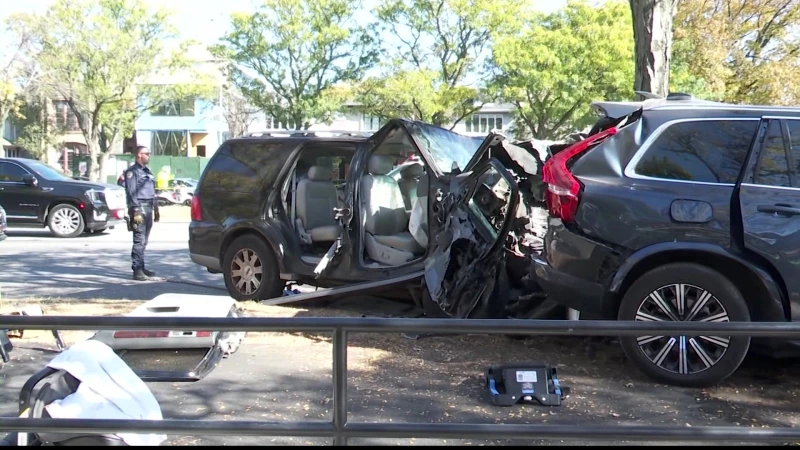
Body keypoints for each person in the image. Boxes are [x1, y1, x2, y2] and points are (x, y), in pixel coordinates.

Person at [124, 145, 160, 281]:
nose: (149, 156)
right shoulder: (132, 172)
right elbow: (132, 192)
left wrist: (156, 209)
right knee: (139, 240)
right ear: (139, 154)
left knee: (144, 241)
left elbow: (152, 191)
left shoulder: (147, 171)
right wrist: (136, 210)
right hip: (139, 208)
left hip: (149, 207)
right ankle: (137, 270)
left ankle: (141, 266)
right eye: (147, 153)